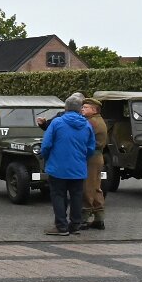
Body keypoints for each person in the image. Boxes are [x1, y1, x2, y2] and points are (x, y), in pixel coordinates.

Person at [42, 92, 98, 236]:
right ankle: (75, 225)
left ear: (65, 108)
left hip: (57, 167)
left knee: (58, 195)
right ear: (80, 109)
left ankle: (61, 226)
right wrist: (82, 159)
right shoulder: (87, 125)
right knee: (76, 196)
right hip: (78, 168)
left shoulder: (57, 123)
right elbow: (91, 148)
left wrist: (47, 158)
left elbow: (46, 145)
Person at [82, 97, 109, 231]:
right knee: (96, 187)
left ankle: (83, 218)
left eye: (85, 107)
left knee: (87, 187)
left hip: (91, 157)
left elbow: (83, 139)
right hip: (97, 157)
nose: (82, 109)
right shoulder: (98, 120)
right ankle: (99, 218)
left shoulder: (91, 122)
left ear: (94, 110)